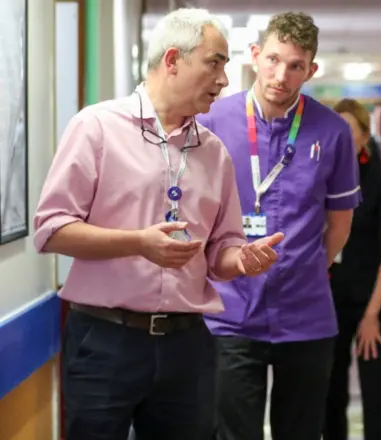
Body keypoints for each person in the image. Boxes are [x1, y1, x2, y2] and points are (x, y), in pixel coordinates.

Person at [32, 9, 284, 440]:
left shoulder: (214, 152)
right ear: (172, 60)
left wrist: (241, 259)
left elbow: (219, 250)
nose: (224, 80)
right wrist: (137, 243)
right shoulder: (96, 128)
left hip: (188, 344)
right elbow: (51, 229)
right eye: (215, 63)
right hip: (106, 338)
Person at [196, 12, 361, 440]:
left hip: (306, 316)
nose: (280, 75)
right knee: (232, 432)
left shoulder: (333, 131)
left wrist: (306, 267)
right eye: (272, 60)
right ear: (254, 56)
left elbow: (339, 224)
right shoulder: (212, 123)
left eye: (295, 65)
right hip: (229, 313)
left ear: (311, 70)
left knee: (302, 431)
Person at [323, 98, 381, 440]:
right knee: (331, 394)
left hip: (377, 302)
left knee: (375, 395)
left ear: (364, 137)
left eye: (348, 132)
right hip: (330, 303)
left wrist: (371, 315)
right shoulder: (320, 181)